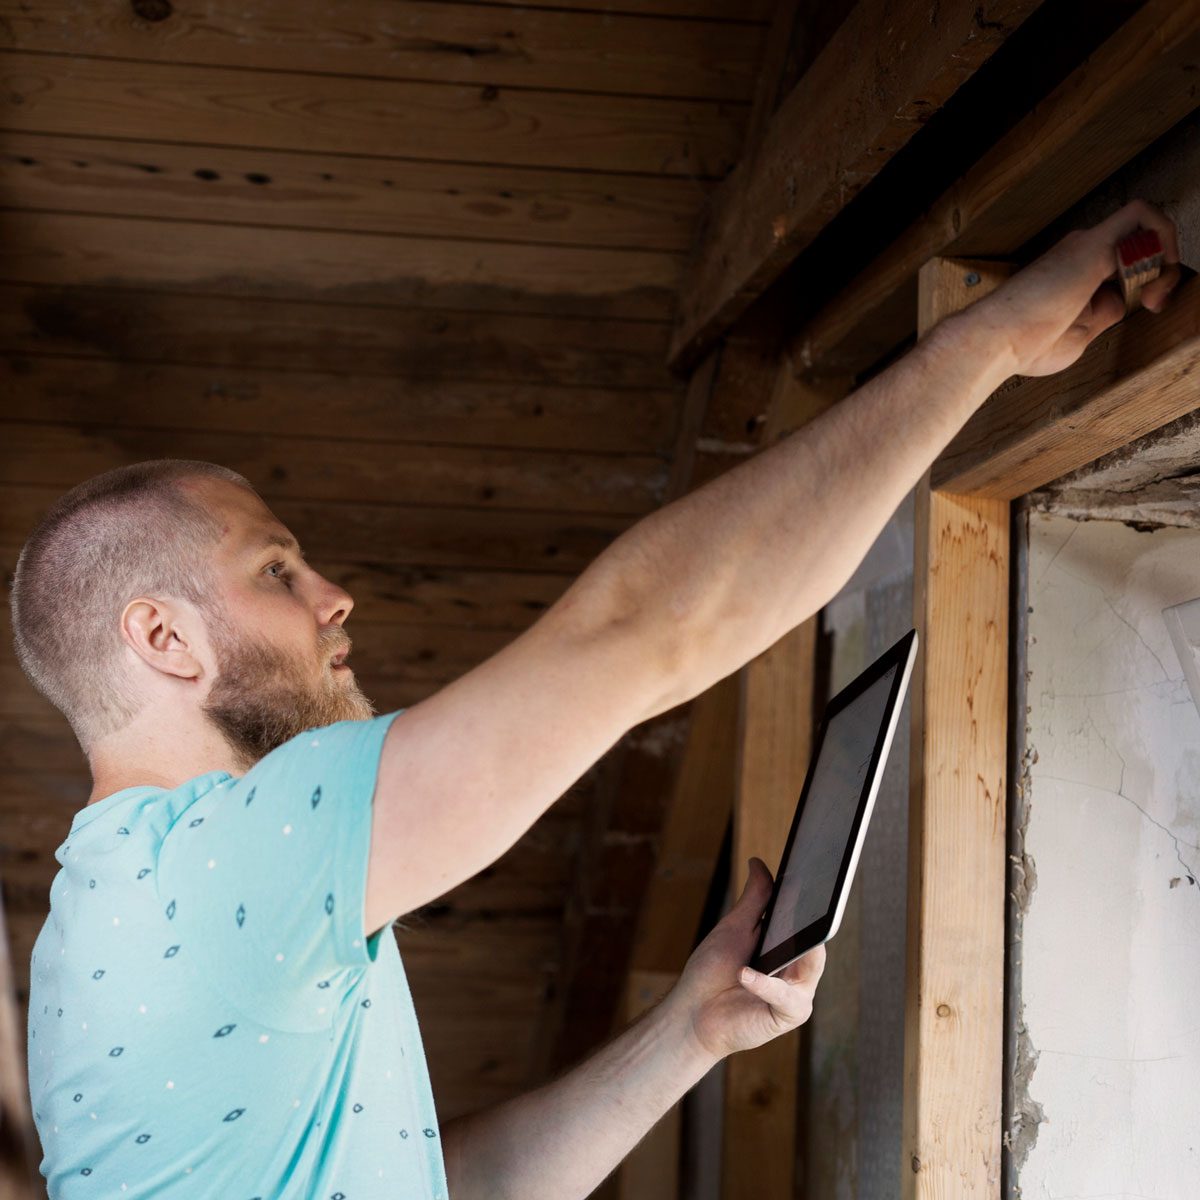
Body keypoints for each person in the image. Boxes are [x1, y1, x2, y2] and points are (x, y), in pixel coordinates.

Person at [12, 199, 1179, 1199]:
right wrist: (986, 343)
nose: (333, 599)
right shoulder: (220, 862)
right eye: (277, 570)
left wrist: (688, 1032)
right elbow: (648, 631)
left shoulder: (117, 912)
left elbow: (437, 1183)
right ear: (160, 637)